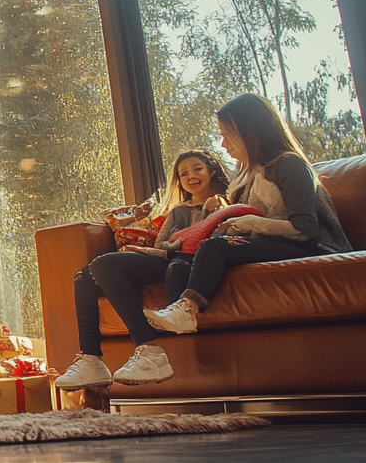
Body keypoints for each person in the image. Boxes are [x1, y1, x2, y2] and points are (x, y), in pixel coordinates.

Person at [144, 93, 350, 337]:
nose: (222, 144)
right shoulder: (246, 176)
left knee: (214, 248)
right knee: (182, 264)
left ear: (249, 131)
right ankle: (173, 342)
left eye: (226, 134)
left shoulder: (289, 165)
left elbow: (306, 228)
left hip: (312, 245)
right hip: (272, 244)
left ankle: (186, 310)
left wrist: (251, 223)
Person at [56, 149, 231, 390]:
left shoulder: (226, 203)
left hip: (192, 262)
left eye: (197, 169)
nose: (191, 176)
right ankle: (91, 359)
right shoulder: (178, 210)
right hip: (167, 257)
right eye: (183, 173)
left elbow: (226, 239)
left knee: (103, 266)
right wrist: (168, 245)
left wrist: (213, 210)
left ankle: (149, 349)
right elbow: (162, 244)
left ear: (212, 171)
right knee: (88, 274)